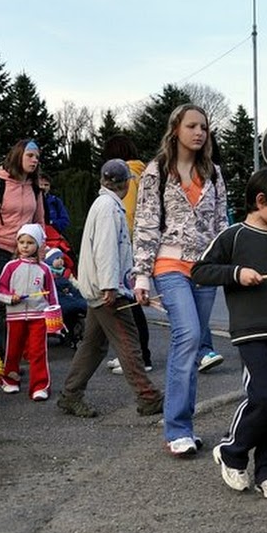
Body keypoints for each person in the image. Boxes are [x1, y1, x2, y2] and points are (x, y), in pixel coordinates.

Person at [191, 167, 267, 499]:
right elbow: (201, 271)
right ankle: (232, 451)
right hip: (251, 332)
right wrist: (237, 273)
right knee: (263, 395)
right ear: (260, 201)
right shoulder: (234, 235)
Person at [133, 104, 228, 457]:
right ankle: (177, 429)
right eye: (192, 126)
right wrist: (142, 275)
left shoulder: (214, 173)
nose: (199, 133)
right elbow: (144, 225)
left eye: (204, 127)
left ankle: (183, 425)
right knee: (187, 334)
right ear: (176, 129)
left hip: (206, 267)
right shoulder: (156, 172)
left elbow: (221, 225)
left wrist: (226, 266)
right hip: (169, 264)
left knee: (190, 344)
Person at [58, 160, 163, 419]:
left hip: (101, 288)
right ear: (126, 183)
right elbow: (105, 249)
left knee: (93, 346)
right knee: (128, 342)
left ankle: (70, 394)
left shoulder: (102, 204)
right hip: (109, 290)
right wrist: (110, 286)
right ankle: (147, 396)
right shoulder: (109, 208)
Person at [0, 139, 45, 358]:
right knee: (2, 304)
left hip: (25, 253)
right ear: (18, 156)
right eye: (30, 156)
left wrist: (40, 252)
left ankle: (14, 358)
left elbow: (40, 221)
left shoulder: (34, 186)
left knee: (24, 305)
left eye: (37, 157)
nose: (35, 160)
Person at [101, 135, 152, 372]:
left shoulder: (127, 175)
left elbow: (127, 213)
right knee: (129, 302)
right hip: (138, 243)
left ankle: (140, 356)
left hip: (129, 246)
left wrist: (123, 245)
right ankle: (134, 354)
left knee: (129, 303)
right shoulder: (142, 172)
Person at [0, 223, 58, 401]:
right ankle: (10, 379)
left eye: (30, 242)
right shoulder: (11, 267)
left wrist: (55, 320)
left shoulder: (45, 269)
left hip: (39, 315)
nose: (25, 246)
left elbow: (52, 295)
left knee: (38, 351)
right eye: (21, 242)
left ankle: (40, 386)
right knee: (13, 349)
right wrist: (10, 298)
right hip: (15, 315)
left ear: (38, 245)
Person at [44, 248, 87, 348]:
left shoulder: (66, 273)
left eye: (61, 258)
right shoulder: (48, 274)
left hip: (70, 296)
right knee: (69, 308)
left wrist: (83, 290)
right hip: (58, 300)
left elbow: (75, 284)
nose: (60, 260)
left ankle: (76, 335)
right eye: (56, 258)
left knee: (79, 304)